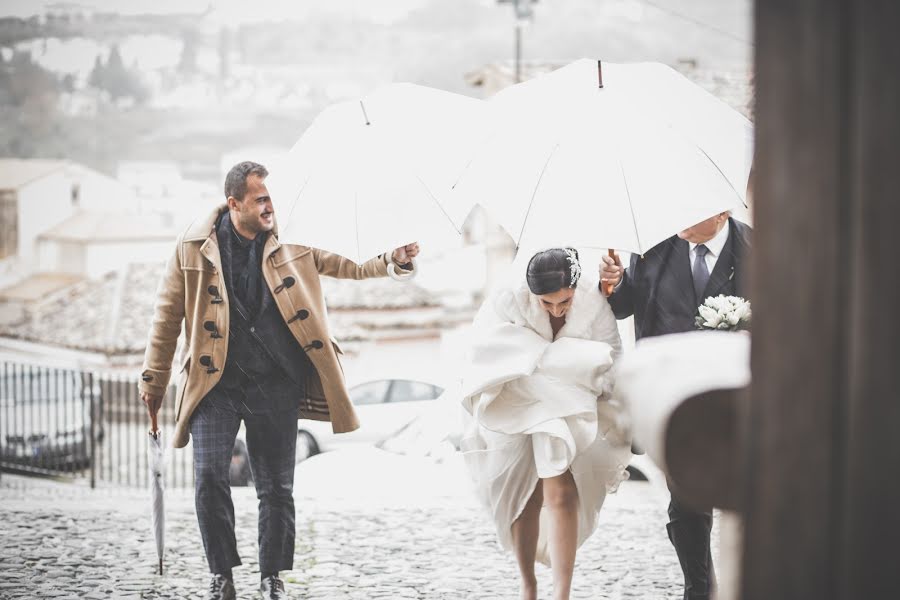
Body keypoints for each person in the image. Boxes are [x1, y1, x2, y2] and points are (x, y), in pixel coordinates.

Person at [139, 161, 420, 600]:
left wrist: (393, 260)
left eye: (272, 197)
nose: (270, 207)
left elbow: (347, 263)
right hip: (215, 384)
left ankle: (273, 576)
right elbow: (166, 316)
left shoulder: (295, 238)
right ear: (234, 204)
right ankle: (222, 575)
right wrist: (153, 381)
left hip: (277, 382)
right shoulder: (193, 246)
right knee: (209, 478)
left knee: (276, 489)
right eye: (260, 200)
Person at [460, 247, 631, 600]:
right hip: (517, 403)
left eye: (564, 301)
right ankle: (528, 583)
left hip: (569, 410)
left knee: (563, 491)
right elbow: (484, 349)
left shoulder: (593, 302)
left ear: (575, 286)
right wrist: (551, 362)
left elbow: (611, 357)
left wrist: (572, 374)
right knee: (525, 494)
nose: (556, 309)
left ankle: (562, 592)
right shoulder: (507, 297)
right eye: (546, 303)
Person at [601, 210, 752, 600]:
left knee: (752, 499)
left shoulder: (757, 248)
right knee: (686, 503)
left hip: (743, 396)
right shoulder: (653, 248)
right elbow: (626, 308)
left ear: (720, 211)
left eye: (692, 210)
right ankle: (699, 589)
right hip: (676, 402)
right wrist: (614, 286)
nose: (678, 217)